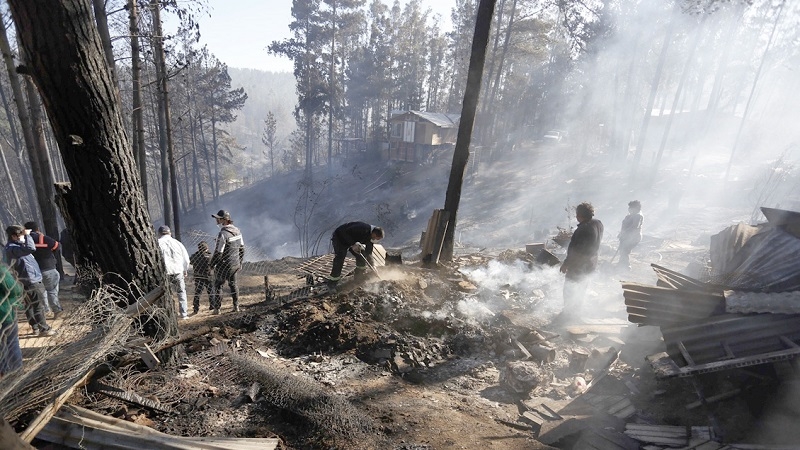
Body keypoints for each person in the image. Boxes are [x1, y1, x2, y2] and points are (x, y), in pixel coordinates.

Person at [4, 225, 54, 336]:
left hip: (26, 280)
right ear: (13, 236)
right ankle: (44, 329)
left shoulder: (14, 247)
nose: (23, 236)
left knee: (30, 305)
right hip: (30, 281)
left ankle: (35, 327)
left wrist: (23, 237)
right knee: (37, 305)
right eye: (20, 235)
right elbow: (31, 248)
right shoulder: (13, 248)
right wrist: (26, 235)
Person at [559, 202, 604, 316]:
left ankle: (568, 314)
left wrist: (566, 264)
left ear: (580, 215)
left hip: (579, 266)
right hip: (591, 264)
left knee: (570, 289)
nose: (576, 216)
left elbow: (577, 251)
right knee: (581, 289)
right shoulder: (598, 223)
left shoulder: (583, 229)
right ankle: (576, 312)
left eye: (577, 214)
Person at [24, 221, 63, 318]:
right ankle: (56, 310)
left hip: (32, 272)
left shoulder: (23, 241)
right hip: (48, 268)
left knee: (41, 292)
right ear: (37, 229)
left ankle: (45, 311)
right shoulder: (43, 238)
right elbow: (57, 246)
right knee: (52, 290)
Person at [209, 210, 244, 314]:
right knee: (233, 284)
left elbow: (218, 252)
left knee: (218, 285)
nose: (216, 219)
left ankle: (217, 309)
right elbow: (242, 248)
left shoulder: (223, 233)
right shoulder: (238, 231)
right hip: (234, 263)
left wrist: (212, 264)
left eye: (218, 218)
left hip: (224, 264)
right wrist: (240, 262)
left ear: (224, 220)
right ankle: (236, 306)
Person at [156, 225, 191, 319]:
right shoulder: (178, 243)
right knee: (181, 292)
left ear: (159, 234)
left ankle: (169, 315)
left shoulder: (157, 243)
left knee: (166, 293)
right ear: (170, 233)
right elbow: (186, 259)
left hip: (165, 272)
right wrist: (185, 270)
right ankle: (184, 314)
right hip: (178, 271)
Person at [0, 262, 24, 376]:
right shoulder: (1, 271)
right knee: (11, 342)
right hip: (4, 313)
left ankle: (3, 371)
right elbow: (15, 290)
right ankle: (16, 371)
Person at [617, 200, 643, 270]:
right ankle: (621, 264)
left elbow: (634, 226)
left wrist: (624, 233)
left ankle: (626, 266)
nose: (629, 209)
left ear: (637, 208)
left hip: (633, 237)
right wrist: (621, 233)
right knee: (622, 249)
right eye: (629, 207)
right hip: (626, 236)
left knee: (625, 250)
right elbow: (624, 226)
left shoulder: (638, 216)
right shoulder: (628, 216)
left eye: (631, 207)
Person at [189, 241, 212, 315]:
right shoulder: (209, 256)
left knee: (197, 293)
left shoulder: (195, 256)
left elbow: (191, 262)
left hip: (198, 276)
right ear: (207, 248)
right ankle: (212, 305)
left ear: (198, 248)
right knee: (211, 291)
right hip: (208, 276)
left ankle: (196, 308)